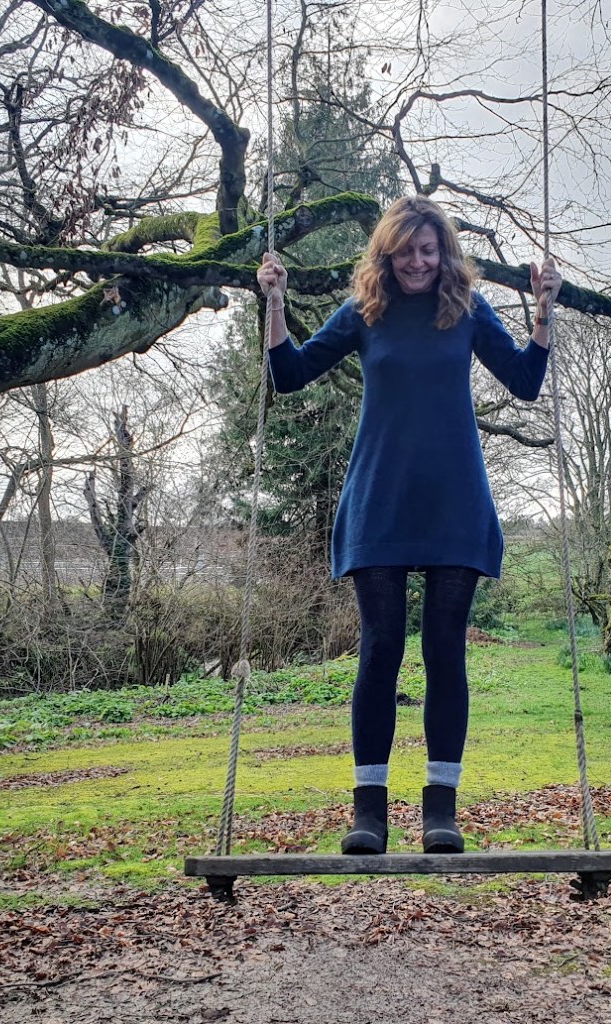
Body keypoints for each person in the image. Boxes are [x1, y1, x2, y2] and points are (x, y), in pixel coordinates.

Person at [256, 195, 561, 855]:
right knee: (381, 646)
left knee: (444, 649)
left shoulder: (468, 310)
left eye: (429, 250)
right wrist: (275, 301)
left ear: (443, 253)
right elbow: (290, 373)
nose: (418, 261)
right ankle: (369, 813)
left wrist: (542, 313)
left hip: (454, 498)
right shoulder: (365, 313)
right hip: (381, 499)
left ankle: (440, 810)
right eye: (406, 251)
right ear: (387, 253)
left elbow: (526, 381)